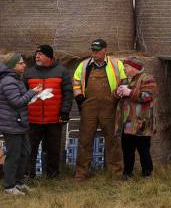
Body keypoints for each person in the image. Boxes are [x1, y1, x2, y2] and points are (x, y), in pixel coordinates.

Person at [72, 39, 127, 181]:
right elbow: (76, 82)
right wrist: (79, 98)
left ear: (105, 50)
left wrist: (118, 94)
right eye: (92, 50)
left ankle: (115, 172)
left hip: (110, 106)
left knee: (112, 139)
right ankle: (81, 173)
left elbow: (124, 81)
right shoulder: (84, 65)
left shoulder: (116, 64)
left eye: (97, 50)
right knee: (85, 139)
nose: (94, 53)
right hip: (88, 107)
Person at [0, 53, 42, 196]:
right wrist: (32, 92)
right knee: (14, 156)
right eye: (21, 63)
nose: (24, 65)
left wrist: (34, 95)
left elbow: (20, 100)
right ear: (13, 66)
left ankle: (19, 183)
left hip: (19, 123)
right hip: (11, 124)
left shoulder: (16, 79)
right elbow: (16, 102)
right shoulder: (8, 81)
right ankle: (9, 187)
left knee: (24, 153)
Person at [24, 44, 74, 180]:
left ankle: (52, 176)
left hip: (54, 119)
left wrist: (64, 112)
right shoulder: (29, 73)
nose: (37, 56)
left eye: (40, 54)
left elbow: (68, 94)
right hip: (33, 119)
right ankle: (28, 175)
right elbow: (22, 95)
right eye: (36, 54)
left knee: (53, 149)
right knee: (30, 149)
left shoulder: (62, 71)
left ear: (49, 57)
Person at [114, 56, 157, 179]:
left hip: (141, 122)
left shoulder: (148, 79)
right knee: (127, 150)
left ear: (134, 68)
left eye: (126, 67)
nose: (124, 69)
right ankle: (127, 174)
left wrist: (130, 92)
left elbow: (148, 96)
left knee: (143, 150)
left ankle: (147, 174)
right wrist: (117, 92)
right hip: (126, 122)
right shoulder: (125, 80)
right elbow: (115, 94)